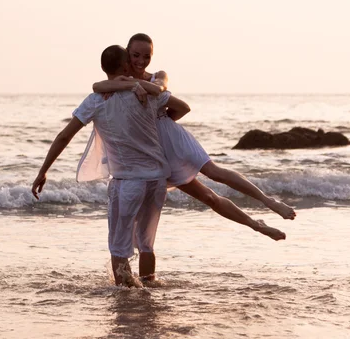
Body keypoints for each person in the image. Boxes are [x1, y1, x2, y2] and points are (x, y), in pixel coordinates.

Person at [84, 44, 288, 241]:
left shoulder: (155, 76)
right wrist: (127, 84)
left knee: (214, 172)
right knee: (208, 198)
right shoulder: (121, 82)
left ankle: (269, 202)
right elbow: (96, 86)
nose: (141, 61)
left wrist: (160, 119)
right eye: (136, 55)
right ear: (127, 57)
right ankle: (256, 225)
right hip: (151, 153)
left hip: (171, 138)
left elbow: (162, 90)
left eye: (147, 56)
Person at [31, 45, 176, 287]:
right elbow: (181, 107)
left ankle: (126, 299)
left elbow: (64, 137)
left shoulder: (96, 100)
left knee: (119, 246)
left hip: (127, 182)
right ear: (127, 65)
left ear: (102, 68)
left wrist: (43, 170)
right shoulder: (147, 94)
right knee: (146, 242)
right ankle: (148, 290)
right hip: (157, 180)